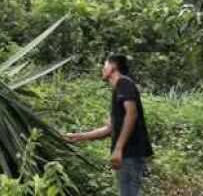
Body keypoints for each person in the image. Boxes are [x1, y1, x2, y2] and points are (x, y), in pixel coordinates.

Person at [65, 54, 153, 196]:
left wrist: (118, 149)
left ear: (113, 67)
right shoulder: (118, 89)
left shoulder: (124, 83)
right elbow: (109, 129)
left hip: (131, 154)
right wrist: (78, 137)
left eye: (104, 65)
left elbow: (132, 114)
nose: (102, 68)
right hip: (126, 156)